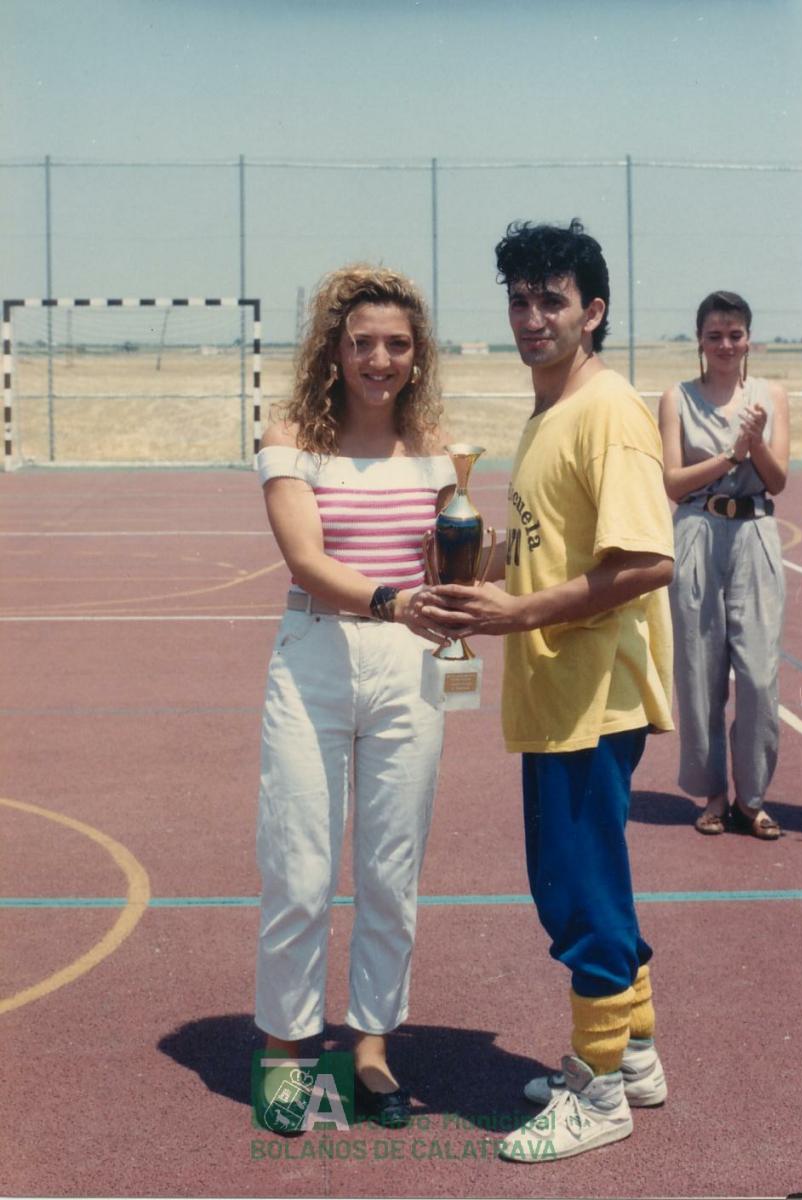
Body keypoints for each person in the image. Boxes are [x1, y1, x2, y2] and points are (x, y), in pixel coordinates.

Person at [414, 220, 675, 1162]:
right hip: (558, 688)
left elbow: (646, 561)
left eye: (551, 301)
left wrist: (517, 615)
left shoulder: (608, 411)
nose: (532, 318)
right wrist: (475, 568)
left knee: (575, 890)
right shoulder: (549, 412)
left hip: (590, 695)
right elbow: (552, 550)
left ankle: (597, 1091)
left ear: (592, 311)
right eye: (520, 301)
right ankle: (632, 1055)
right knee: (592, 877)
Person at [253, 265, 455, 1128]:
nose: (380, 359)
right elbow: (306, 560)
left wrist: (482, 568)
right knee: (300, 869)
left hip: (410, 664)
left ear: (417, 355)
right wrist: (392, 600)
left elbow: (451, 560)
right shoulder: (293, 435)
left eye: (397, 345)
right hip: (317, 657)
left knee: (390, 870)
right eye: (362, 342)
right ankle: (287, 1047)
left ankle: (371, 1047)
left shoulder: (437, 446)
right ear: (332, 350)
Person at [658, 291, 789, 839]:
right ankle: (713, 793)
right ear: (700, 341)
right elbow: (673, 482)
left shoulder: (771, 396)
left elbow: (777, 480)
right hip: (697, 532)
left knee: (758, 674)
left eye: (735, 335)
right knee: (699, 671)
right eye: (714, 335)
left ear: (749, 340)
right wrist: (731, 455)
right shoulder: (677, 398)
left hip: (755, 534)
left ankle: (751, 797)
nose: (726, 345)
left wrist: (755, 445)